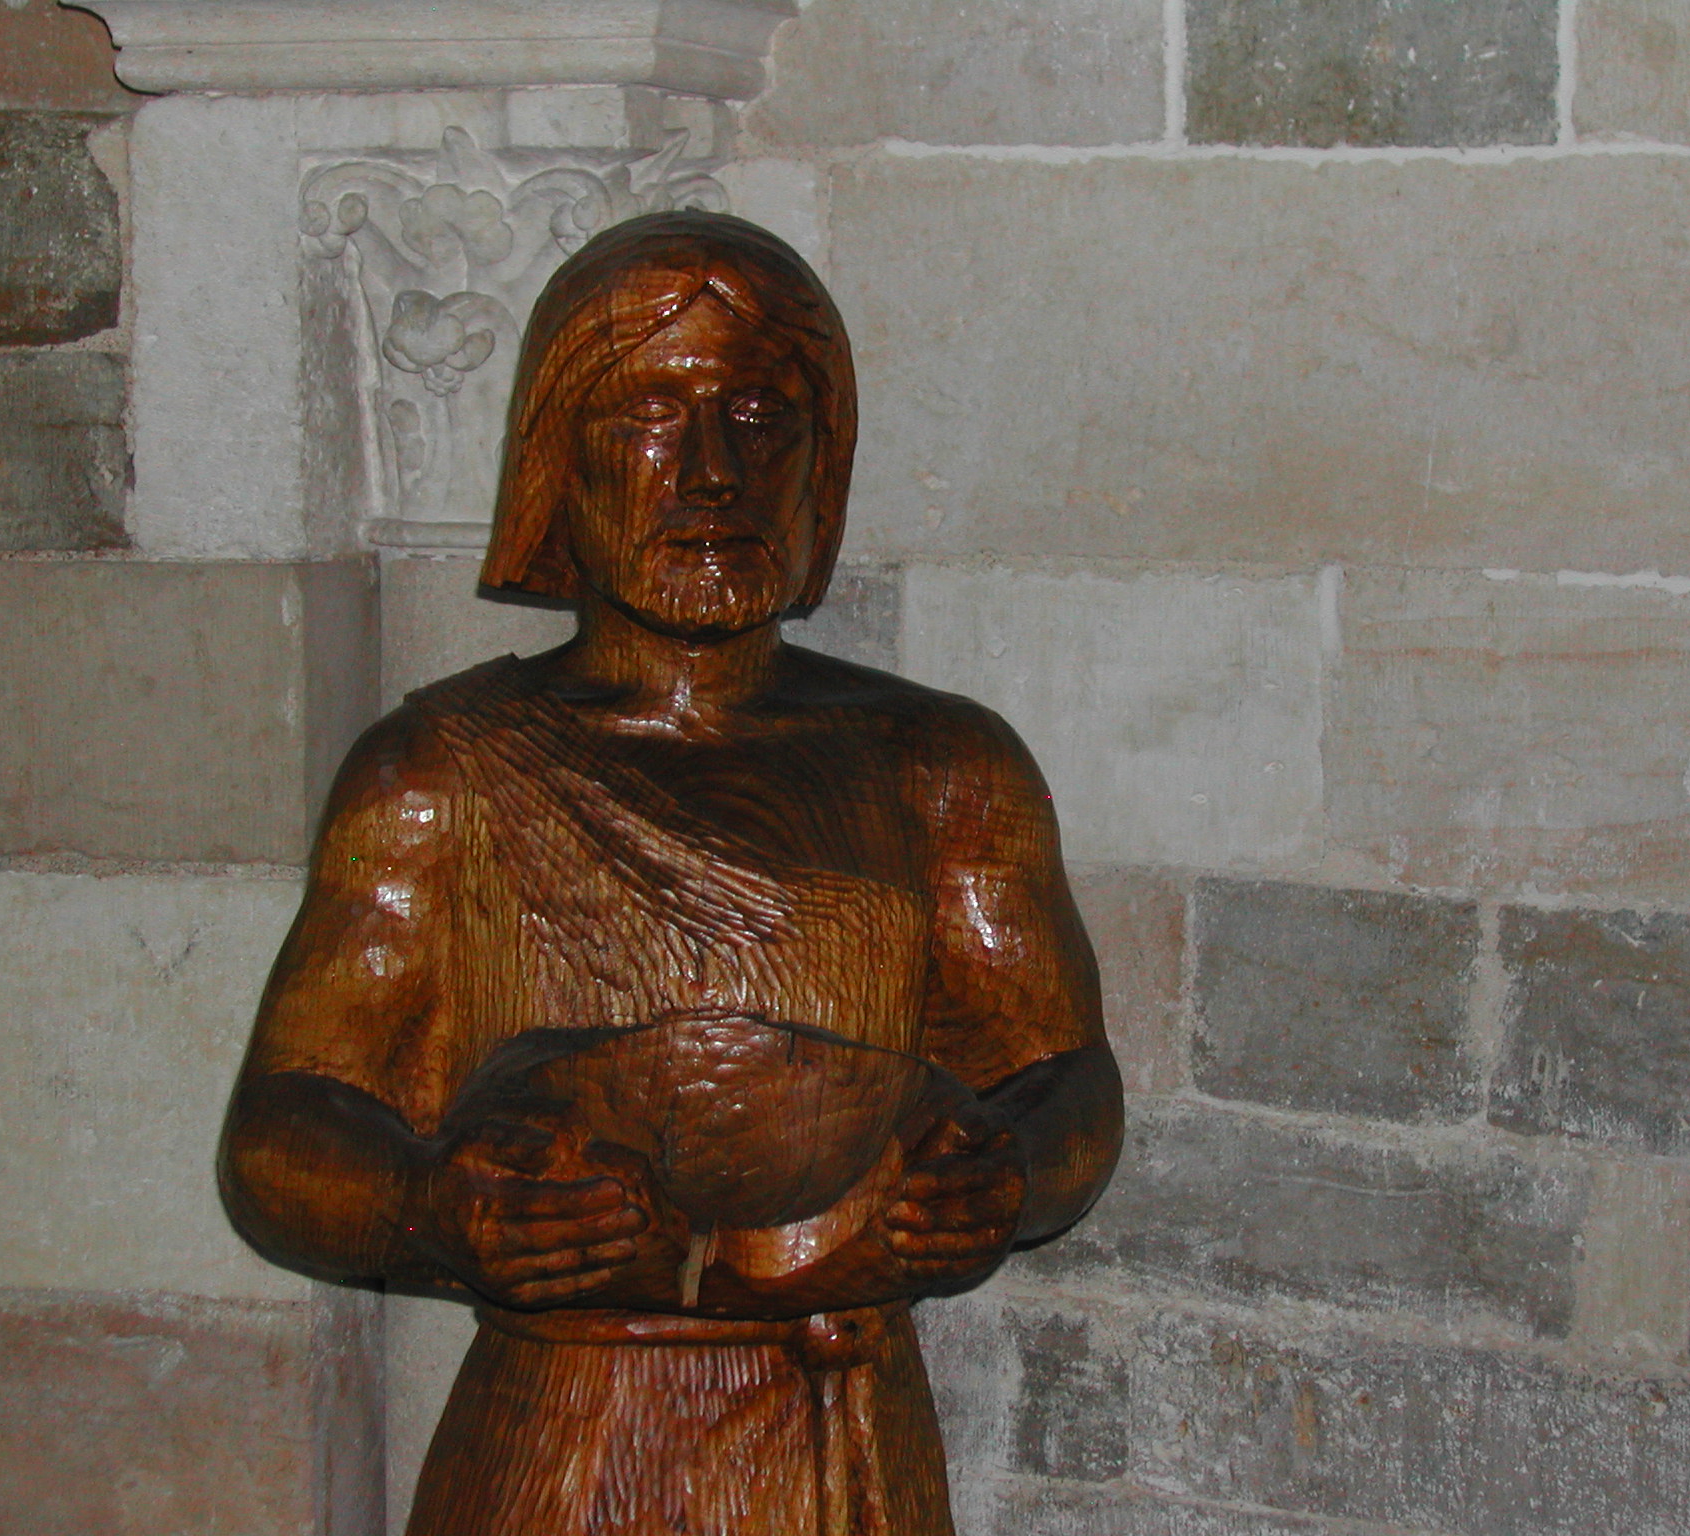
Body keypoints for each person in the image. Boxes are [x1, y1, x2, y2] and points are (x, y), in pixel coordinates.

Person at [219, 211, 1122, 1536]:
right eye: (647, 413)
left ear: (821, 465)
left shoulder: (941, 767)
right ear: (557, 457)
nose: (711, 474)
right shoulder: (440, 772)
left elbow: (1064, 1076)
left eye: (759, 417)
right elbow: (282, 1129)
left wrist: (1007, 1175)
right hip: (563, 1435)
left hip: (838, 1431)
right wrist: (431, 1206)